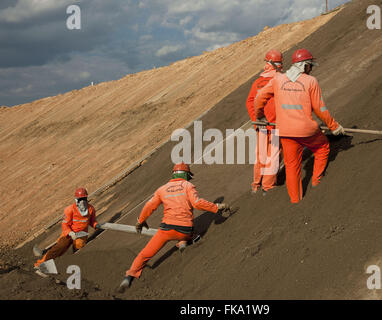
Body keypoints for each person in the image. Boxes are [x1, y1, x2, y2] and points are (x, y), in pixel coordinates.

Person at [118, 163, 229, 292]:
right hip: (185, 231)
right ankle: (183, 244)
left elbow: (149, 206)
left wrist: (140, 221)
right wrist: (217, 207)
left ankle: (128, 277)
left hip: (166, 230)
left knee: (144, 254)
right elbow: (197, 203)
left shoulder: (162, 189)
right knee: (191, 232)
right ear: (187, 175)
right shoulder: (188, 186)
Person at [254, 48, 346, 203]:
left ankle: (296, 200)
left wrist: (259, 115)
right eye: (310, 65)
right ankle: (317, 181)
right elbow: (320, 109)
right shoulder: (311, 81)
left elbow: (259, 97)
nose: (311, 68)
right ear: (305, 66)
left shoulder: (278, 80)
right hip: (307, 131)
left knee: (292, 166)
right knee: (322, 147)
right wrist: (334, 126)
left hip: (285, 132)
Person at [246, 49, 283, 194]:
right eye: (280, 63)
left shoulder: (258, 82)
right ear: (276, 64)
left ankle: (256, 184)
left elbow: (249, 102)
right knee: (273, 155)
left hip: (262, 125)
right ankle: (268, 186)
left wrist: (256, 120)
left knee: (261, 155)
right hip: (275, 126)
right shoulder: (281, 80)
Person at [34, 187, 101, 268]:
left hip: (82, 234)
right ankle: (41, 263)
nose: (82, 201)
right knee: (60, 247)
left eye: (84, 198)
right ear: (76, 200)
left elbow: (92, 221)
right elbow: (65, 225)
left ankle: (73, 263)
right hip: (69, 233)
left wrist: (95, 225)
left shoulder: (91, 209)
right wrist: (70, 232)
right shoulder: (70, 209)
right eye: (80, 199)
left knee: (79, 247)